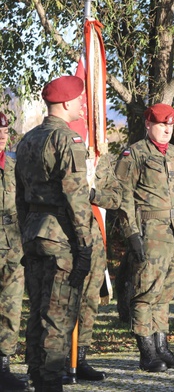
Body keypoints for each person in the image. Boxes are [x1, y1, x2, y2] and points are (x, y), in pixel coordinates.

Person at [15, 76, 94, 391]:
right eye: (78, 100)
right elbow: (76, 199)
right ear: (65, 103)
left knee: (37, 312)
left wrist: (26, 233)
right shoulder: (68, 140)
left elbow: (20, 197)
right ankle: (49, 383)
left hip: (35, 235)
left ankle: (37, 376)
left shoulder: (29, 139)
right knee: (58, 317)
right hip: (61, 239)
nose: (81, 105)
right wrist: (85, 247)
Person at [115, 103, 174, 372]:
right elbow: (124, 196)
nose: (167, 129)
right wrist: (132, 234)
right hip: (150, 232)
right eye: (162, 125)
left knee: (164, 293)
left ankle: (162, 347)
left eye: (170, 125)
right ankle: (147, 352)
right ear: (148, 125)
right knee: (144, 293)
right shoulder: (134, 153)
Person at [62, 152, 122, 384]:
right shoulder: (58, 148)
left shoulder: (102, 159)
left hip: (94, 235)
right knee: (63, 299)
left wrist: (92, 194)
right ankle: (58, 360)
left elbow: (116, 197)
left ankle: (80, 358)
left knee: (89, 300)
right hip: (64, 233)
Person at [0, 111, 26, 391]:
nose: (1, 136)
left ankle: (3, 365)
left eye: (4, 132)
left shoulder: (14, 166)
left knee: (11, 307)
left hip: (13, 245)